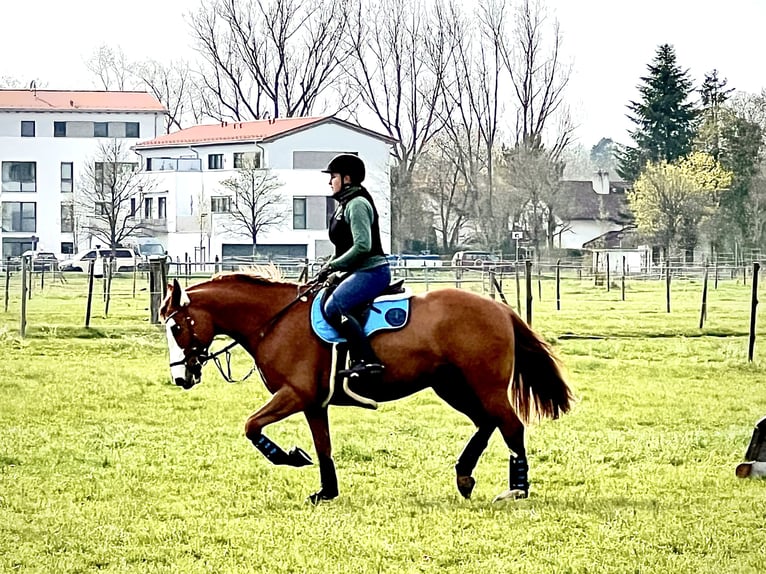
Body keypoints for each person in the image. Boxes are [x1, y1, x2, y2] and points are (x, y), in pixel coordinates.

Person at [316, 154, 391, 379]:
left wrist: (332, 266)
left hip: (372, 271)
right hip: (356, 271)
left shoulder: (357, 204)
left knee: (333, 308)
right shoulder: (345, 204)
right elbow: (344, 246)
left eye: (334, 176)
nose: (330, 181)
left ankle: (367, 360)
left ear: (347, 178)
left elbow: (362, 246)